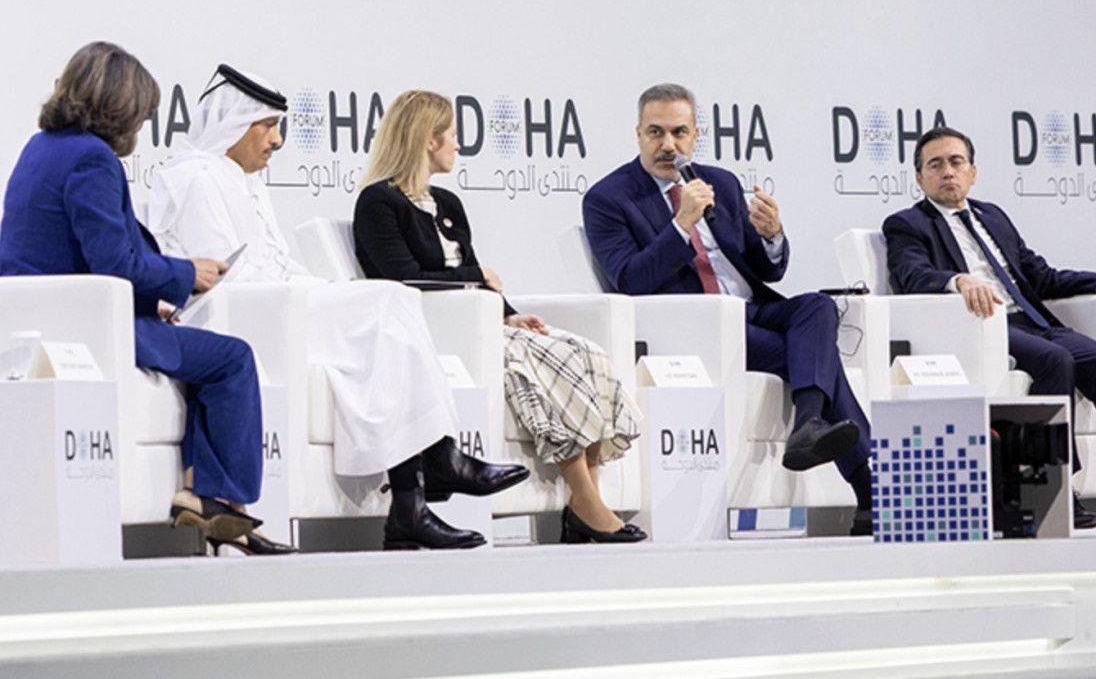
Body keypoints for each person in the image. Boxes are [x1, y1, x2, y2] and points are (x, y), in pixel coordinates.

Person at [148, 65, 529, 550]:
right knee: (386, 299)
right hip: (245, 315)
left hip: (281, 303)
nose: (278, 140)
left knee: (391, 299)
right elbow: (221, 277)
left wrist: (321, 287)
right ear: (234, 124)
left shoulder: (243, 179)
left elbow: (277, 261)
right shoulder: (197, 178)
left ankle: (417, 493)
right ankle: (434, 465)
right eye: (268, 127)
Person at [0, 42, 293, 555]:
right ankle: (220, 499)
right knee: (231, 358)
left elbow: (73, 255)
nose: (142, 124)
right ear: (119, 105)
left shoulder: (38, 148)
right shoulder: (93, 158)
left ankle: (206, 495)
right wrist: (189, 273)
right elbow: (115, 263)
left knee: (201, 354)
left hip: (56, 316)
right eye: (142, 112)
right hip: (91, 330)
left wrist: (151, 301)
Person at [353, 90, 645, 544]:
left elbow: (475, 275)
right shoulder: (378, 203)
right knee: (545, 364)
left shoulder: (447, 203)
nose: (458, 145)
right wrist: (474, 278)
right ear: (428, 140)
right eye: (452, 135)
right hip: (430, 330)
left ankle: (587, 500)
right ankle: (586, 504)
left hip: (477, 323)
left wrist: (508, 317)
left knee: (581, 351)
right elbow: (403, 277)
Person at [583, 83, 875, 536]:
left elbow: (766, 270)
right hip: (694, 325)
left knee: (817, 308)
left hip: (749, 308)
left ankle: (811, 423)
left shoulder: (720, 182)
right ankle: (865, 482)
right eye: (656, 132)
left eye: (679, 132)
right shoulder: (608, 199)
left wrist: (772, 236)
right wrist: (681, 224)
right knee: (812, 353)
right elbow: (630, 279)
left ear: (695, 135)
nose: (668, 145)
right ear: (637, 133)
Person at [882, 125, 1096, 527]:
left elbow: (1040, 276)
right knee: (1055, 360)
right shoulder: (907, 224)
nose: (947, 171)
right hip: (980, 326)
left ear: (972, 172)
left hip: (1033, 321)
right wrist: (958, 281)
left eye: (956, 162)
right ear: (919, 178)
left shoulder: (992, 216)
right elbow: (912, 274)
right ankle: (1057, 491)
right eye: (935, 164)